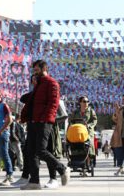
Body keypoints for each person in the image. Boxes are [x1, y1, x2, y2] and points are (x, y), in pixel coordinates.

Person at [20, 60, 70, 190]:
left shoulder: (52, 83)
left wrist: (44, 119)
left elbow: (53, 103)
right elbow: (30, 101)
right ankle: (34, 181)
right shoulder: (38, 84)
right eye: (34, 70)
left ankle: (62, 169)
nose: (34, 73)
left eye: (36, 70)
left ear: (44, 69)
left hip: (44, 122)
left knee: (41, 151)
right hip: (33, 121)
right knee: (31, 152)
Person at [69, 95, 98, 170]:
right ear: (80, 103)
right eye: (84, 101)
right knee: (75, 143)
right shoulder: (75, 112)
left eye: (87, 101)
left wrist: (89, 125)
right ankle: (76, 161)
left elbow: (94, 120)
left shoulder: (91, 111)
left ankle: (88, 163)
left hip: (88, 131)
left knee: (88, 144)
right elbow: (71, 121)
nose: (86, 103)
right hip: (78, 131)